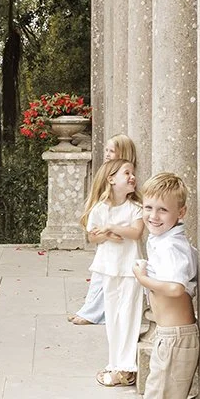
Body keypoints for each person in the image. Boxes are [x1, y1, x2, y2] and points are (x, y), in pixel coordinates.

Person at [95, 171, 198, 399]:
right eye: (149, 208)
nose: (153, 216)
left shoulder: (171, 245)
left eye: (162, 211)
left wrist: (143, 278)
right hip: (169, 337)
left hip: (176, 338)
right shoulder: (162, 239)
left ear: (180, 214)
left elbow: (176, 288)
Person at [82, 158, 145, 387]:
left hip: (130, 268)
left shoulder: (135, 208)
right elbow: (92, 236)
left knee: (129, 315)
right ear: (111, 179)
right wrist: (106, 235)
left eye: (133, 173)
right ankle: (115, 362)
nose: (132, 176)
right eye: (126, 172)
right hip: (109, 268)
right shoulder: (100, 209)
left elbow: (136, 232)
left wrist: (111, 228)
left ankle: (127, 367)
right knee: (113, 316)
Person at [70, 133, 140, 326]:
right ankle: (89, 310)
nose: (107, 154)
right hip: (106, 237)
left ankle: (92, 313)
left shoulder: (126, 183)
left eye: (112, 151)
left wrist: (110, 228)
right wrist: (104, 231)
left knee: (107, 279)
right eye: (107, 150)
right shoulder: (108, 177)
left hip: (122, 246)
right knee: (100, 278)